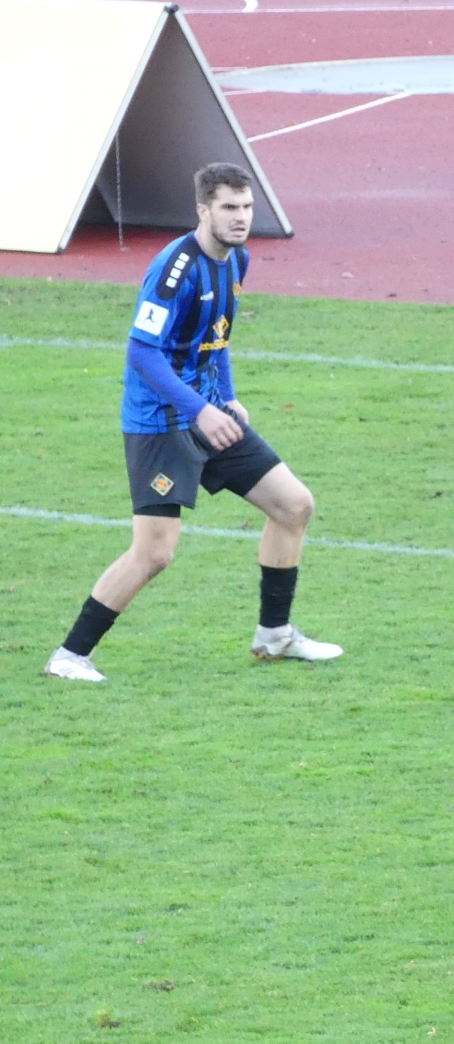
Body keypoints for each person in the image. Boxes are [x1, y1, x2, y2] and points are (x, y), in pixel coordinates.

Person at [44, 163, 342, 682]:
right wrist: (200, 408)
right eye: (228, 208)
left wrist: (227, 397)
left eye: (246, 207)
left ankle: (274, 636)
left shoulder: (237, 259)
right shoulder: (175, 270)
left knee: (293, 505)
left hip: (209, 414)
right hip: (161, 423)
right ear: (203, 210)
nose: (241, 217)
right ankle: (69, 656)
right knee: (155, 553)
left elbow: (216, 337)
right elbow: (142, 352)